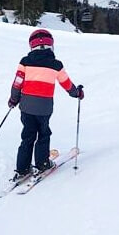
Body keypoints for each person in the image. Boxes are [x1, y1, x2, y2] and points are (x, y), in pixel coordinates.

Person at [8, 28, 84, 181]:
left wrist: (13, 99)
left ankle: (22, 169)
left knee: (28, 136)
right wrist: (77, 93)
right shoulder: (56, 64)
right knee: (43, 134)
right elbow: (66, 84)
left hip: (26, 107)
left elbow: (17, 83)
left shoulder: (25, 62)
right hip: (44, 108)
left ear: (32, 46)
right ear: (51, 45)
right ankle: (42, 164)